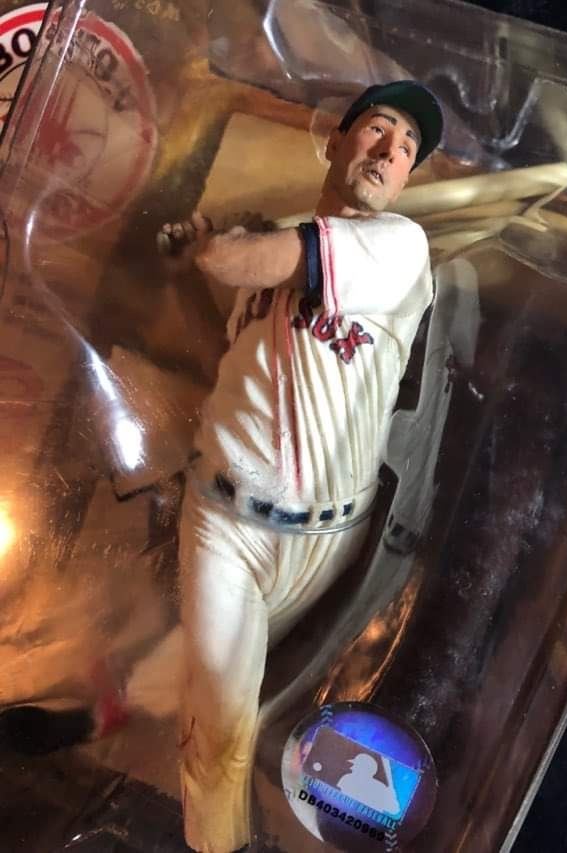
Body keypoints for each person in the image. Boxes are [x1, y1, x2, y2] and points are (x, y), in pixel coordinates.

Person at [0, 81, 442, 853]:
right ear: (336, 141)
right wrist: (193, 265)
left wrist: (214, 245)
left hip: (328, 542)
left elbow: (252, 259)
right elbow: (231, 349)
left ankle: (100, 712)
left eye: (407, 148)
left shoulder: (398, 246)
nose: (390, 152)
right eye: (378, 130)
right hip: (225, 523)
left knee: (211, 667)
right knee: (220, 727)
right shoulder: (286, 255)